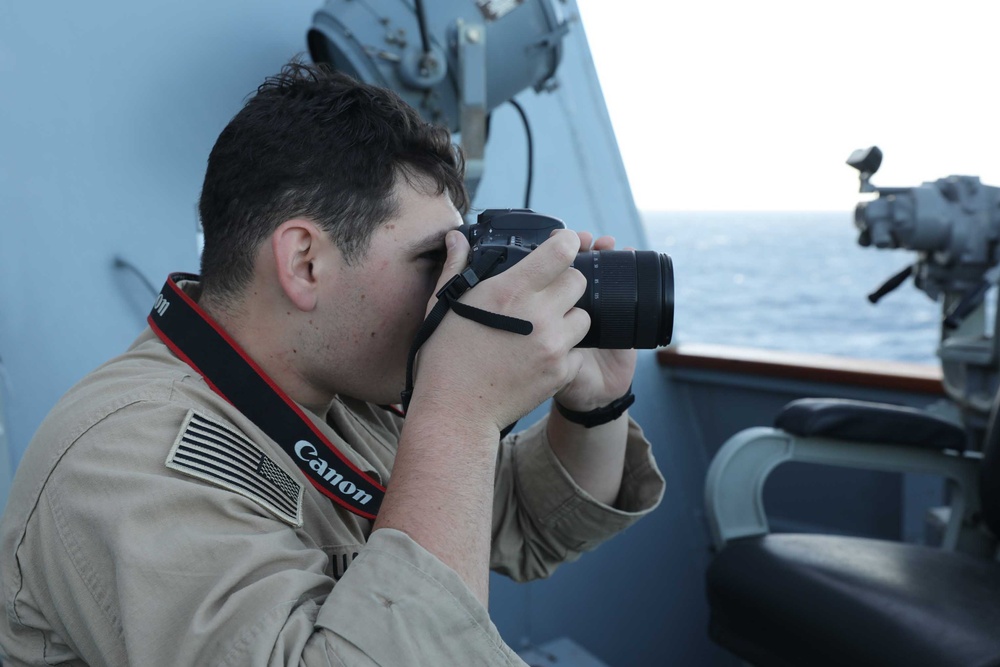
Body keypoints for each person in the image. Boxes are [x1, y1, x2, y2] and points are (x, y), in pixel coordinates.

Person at [0, 61, 664, 665]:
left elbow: (518, 516)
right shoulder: (129, 463)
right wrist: (458, 412)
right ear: (305, 262)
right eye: (435, 259)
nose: (449, 290)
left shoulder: (341, 394)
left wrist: (594, 403)